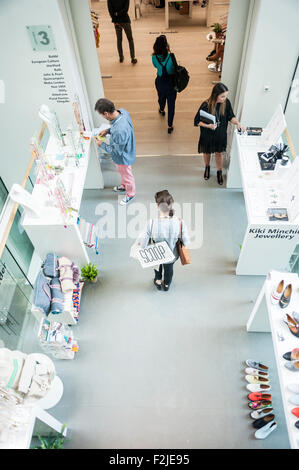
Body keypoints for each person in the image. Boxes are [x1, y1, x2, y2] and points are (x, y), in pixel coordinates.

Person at [194, 82, 245, 185]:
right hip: (207, 135)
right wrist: (208, 126)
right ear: (215, 95)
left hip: (220, 135)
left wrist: (238, 123)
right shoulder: (206, 105)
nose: (224, 99)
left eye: (225, 96)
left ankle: (219, 171)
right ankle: (207, 167)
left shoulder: (226, 103)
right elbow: (197, 121)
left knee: (219, 154)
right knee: (207, 152)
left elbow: (231, 116)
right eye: (222, 96)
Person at [139, 190, 190, 291]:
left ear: (157, 206)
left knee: (157, 266)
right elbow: (186, 241)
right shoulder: (179, 222)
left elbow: (143, 243)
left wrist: (143, 247)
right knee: (169, 269)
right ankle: (166, 284)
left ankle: (158, 280)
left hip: (156, 254)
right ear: (171, 205)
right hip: (171, 254)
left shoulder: (151, 223)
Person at [94, 98, 136, 206]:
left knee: (127, 175)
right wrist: (108, 131)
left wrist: (101, 144)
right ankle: (124, 186)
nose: (102, 117)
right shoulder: (122, 112)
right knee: (122, 173)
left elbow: (116, 151)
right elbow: (115, 128)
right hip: (126, 150)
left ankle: (130, 194)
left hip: (123, 157)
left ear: (106, 113)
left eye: (101, 115)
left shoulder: (119, 131)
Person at [152, 35, 177, 134]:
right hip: (171, 83)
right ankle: (170, 125)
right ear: (166, 45)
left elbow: (155, 66)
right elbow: (176, 68)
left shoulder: (154, 57)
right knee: (171, 105)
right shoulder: (171, 56)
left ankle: (162, 109)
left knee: (161, 97)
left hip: (160, 81)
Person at [107, 0, 137, 64]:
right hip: (125, 20)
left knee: (119, 40)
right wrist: (118, 14)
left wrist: (115, 19)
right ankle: (132, 58)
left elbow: (110, 11)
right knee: (130, 39)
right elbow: (125, 9)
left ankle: (121, 57)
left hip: (117, 21)